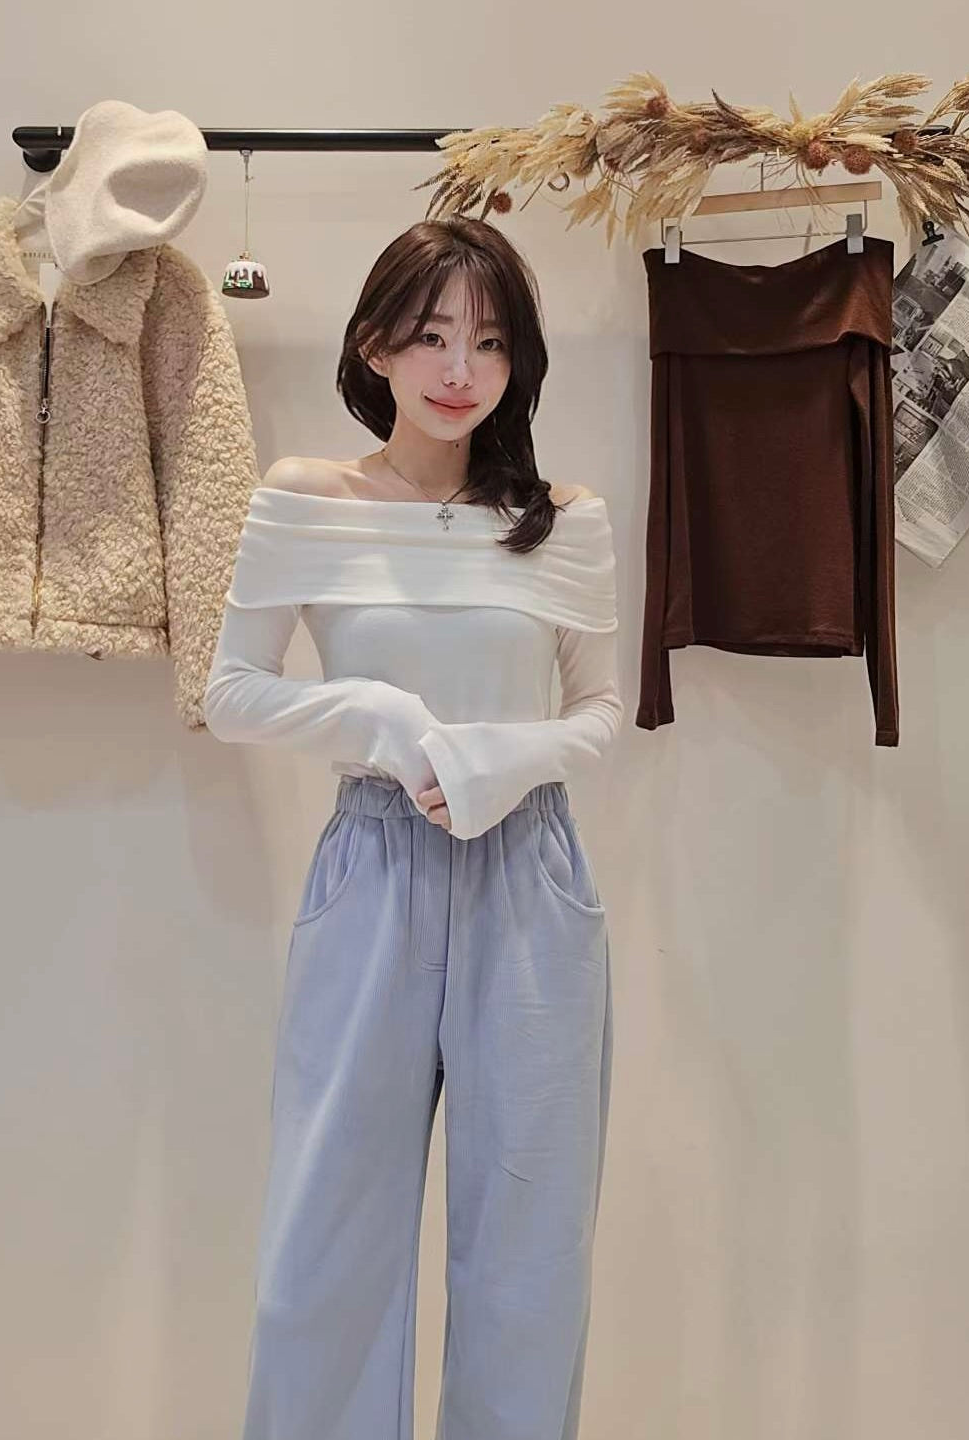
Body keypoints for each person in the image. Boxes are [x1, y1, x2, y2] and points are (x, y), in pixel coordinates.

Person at [204, 214, 623, 1440]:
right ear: (374, 346)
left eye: (490, 343)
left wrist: (507, 759)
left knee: (529, 1252)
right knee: (325, 1240)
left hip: (531, 876)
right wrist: (376, 718)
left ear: (517, 363)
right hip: (372, 866)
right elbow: (232, 692)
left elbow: (600, 712)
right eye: (432, 335)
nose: (458, 369)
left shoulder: (564, 518)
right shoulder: (305, 500)